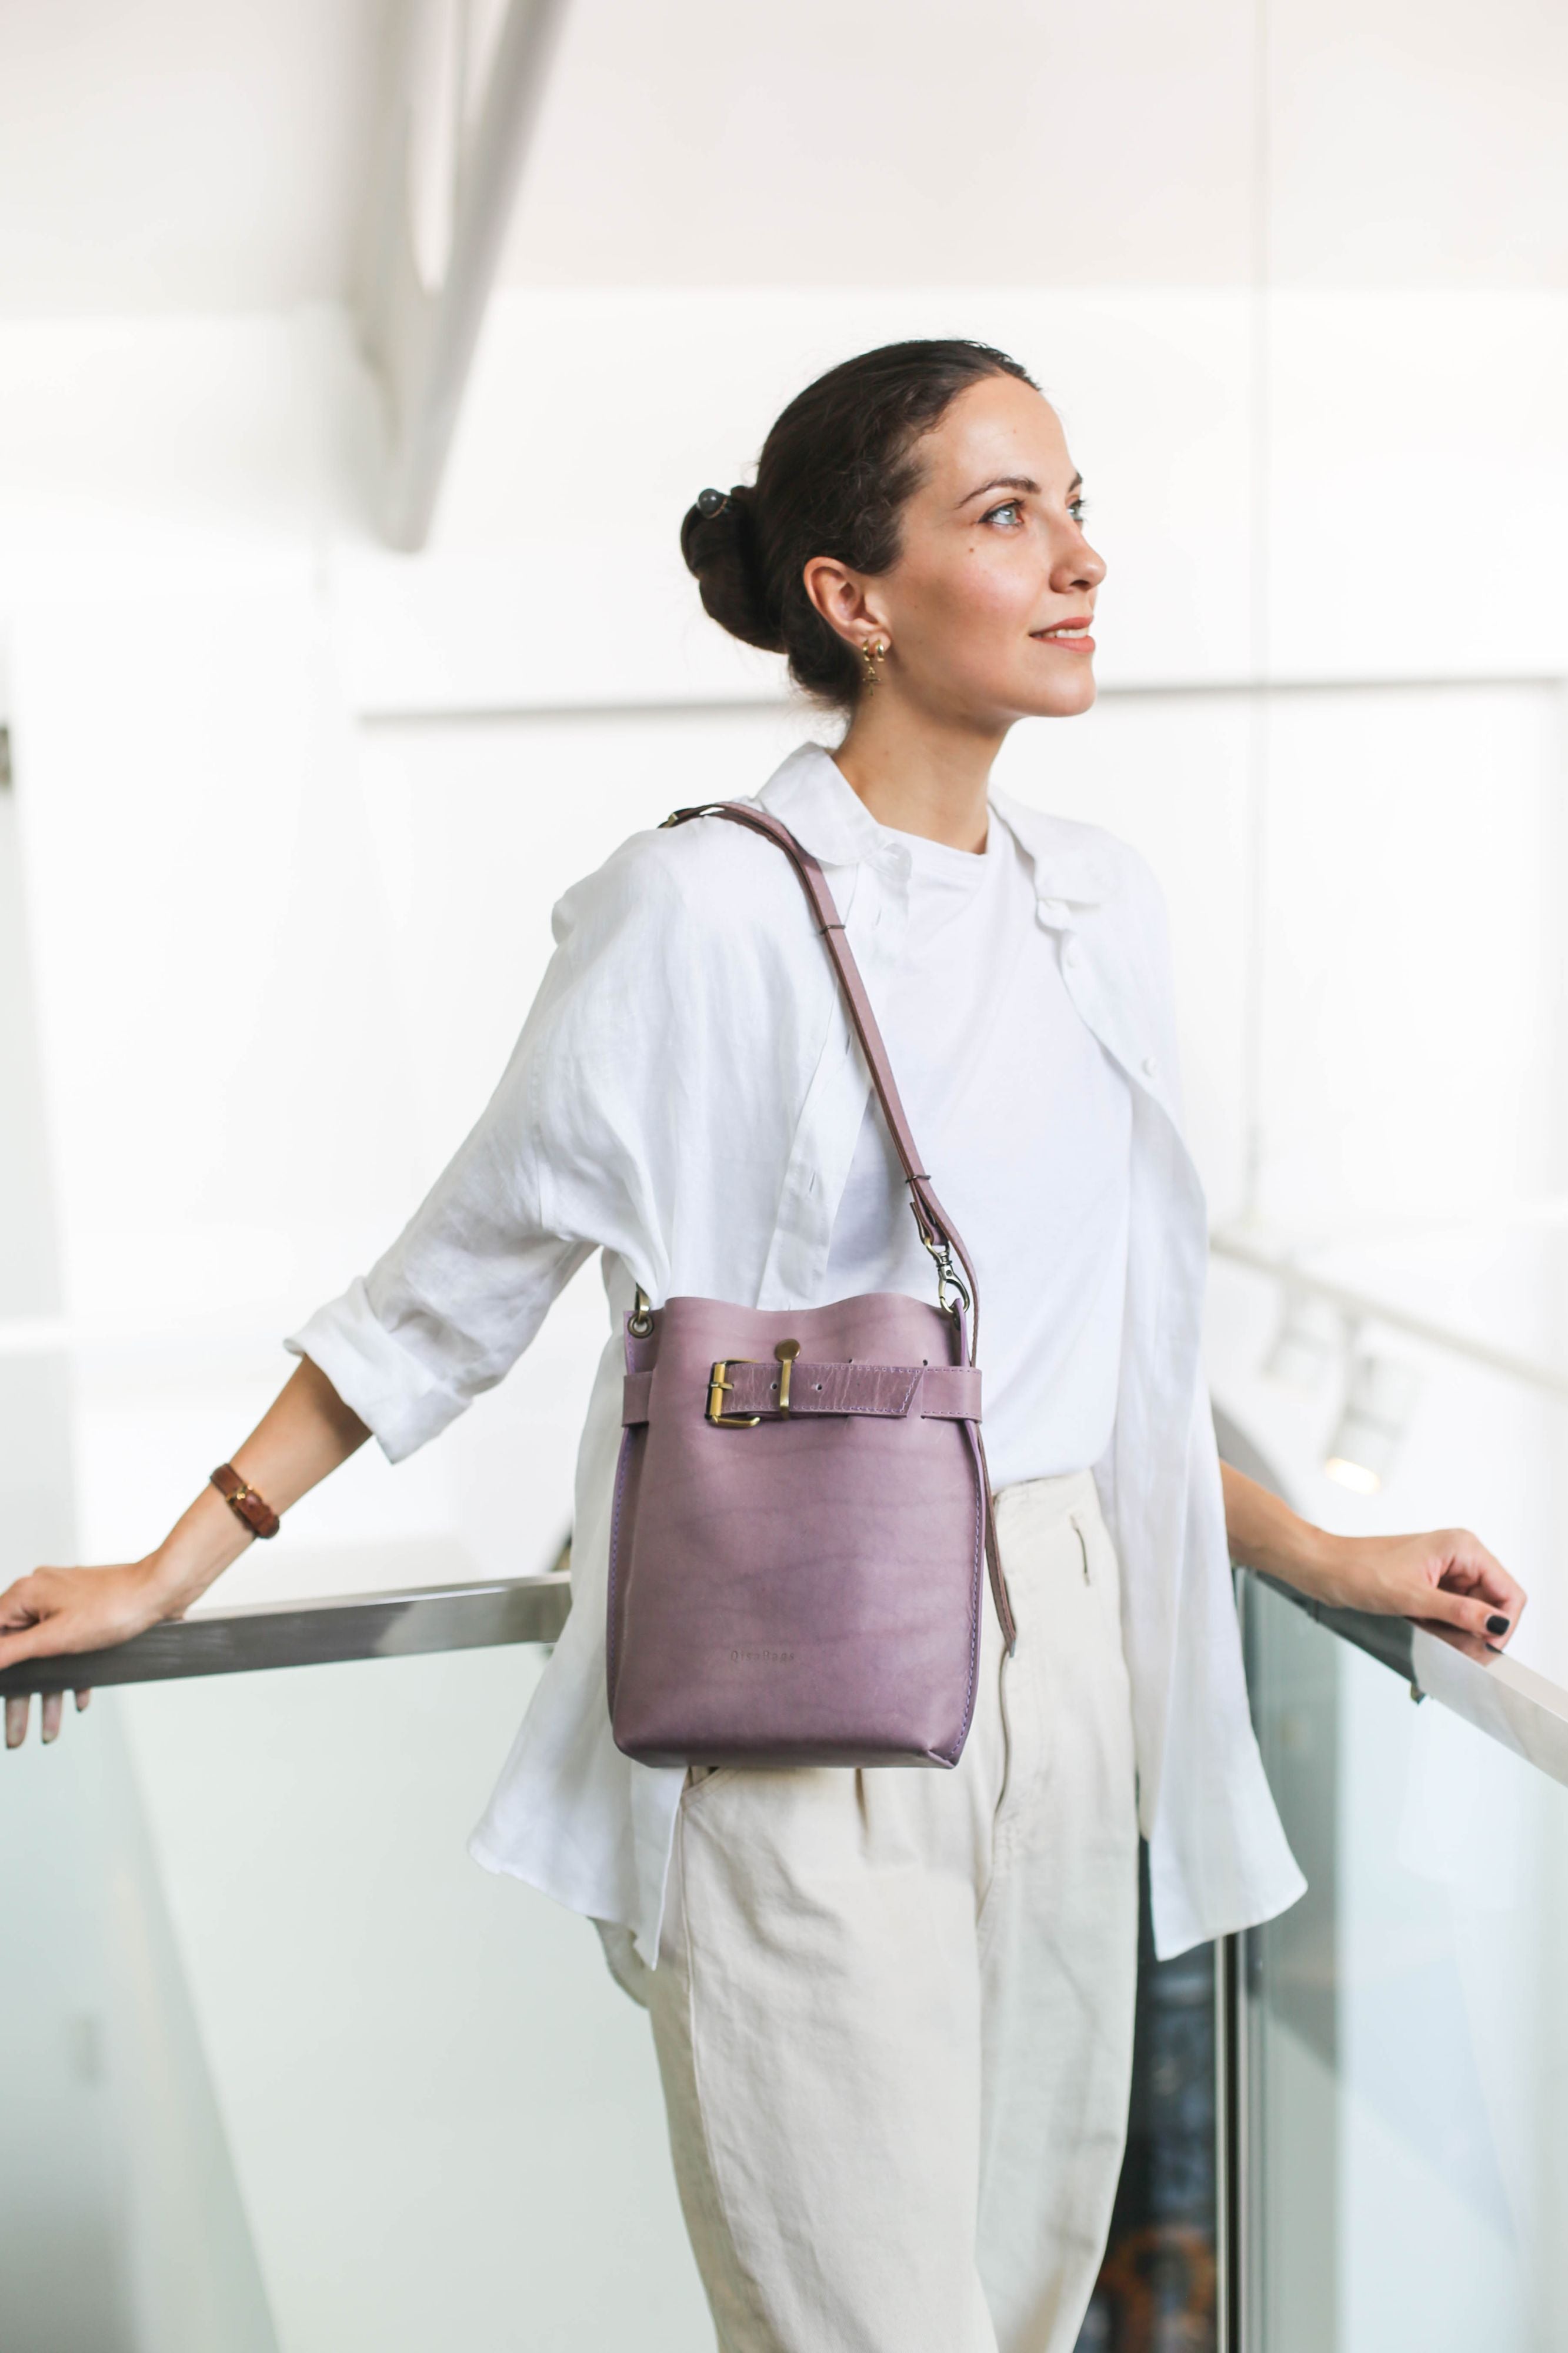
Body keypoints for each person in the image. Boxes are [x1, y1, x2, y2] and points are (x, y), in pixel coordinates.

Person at [0, 339, 1527, 2353]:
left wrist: (1315, 1559)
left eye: (1077, 508)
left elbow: (1097, 1376)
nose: (1077, 560)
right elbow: (457, 1276)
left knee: (1015, 2295)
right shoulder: (698, 910)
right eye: (1005, 515)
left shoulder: (1101, 906)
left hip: (1077, 1659)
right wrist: (172, 1568)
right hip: (804, 1689)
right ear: (853, 597)